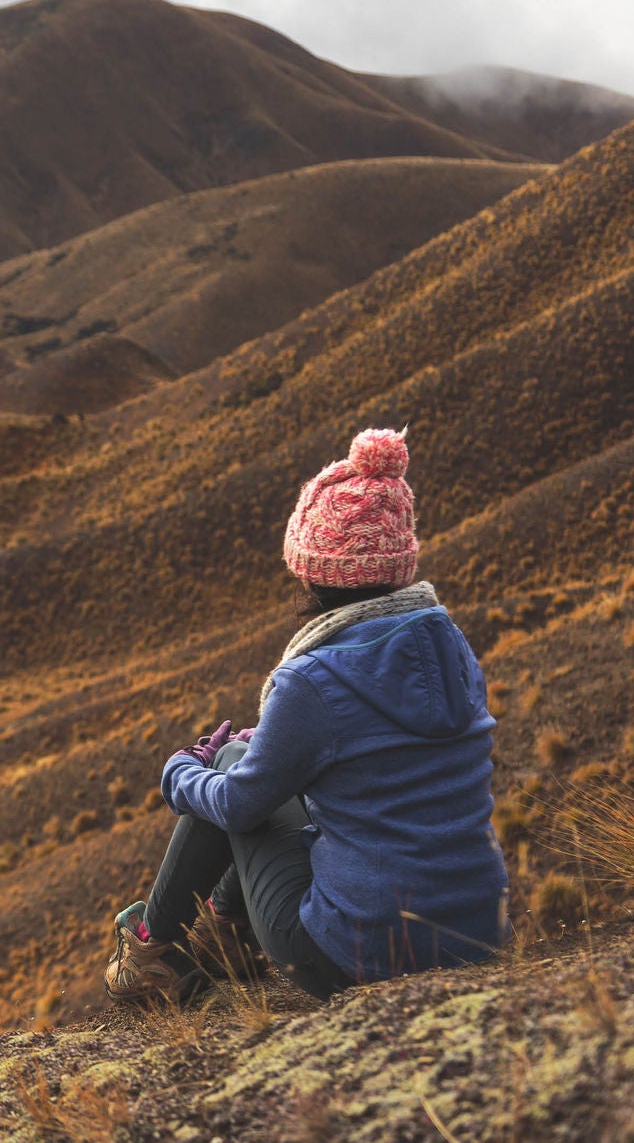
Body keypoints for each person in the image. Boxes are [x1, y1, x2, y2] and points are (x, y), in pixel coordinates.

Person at [104, 428, 508, 1004]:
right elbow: (375, 753)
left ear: (314, 569)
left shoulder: (311, 679)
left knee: (228, 764)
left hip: (354, 958)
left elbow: (240, 803)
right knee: (250, 759)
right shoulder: (451, 648)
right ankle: (217, 937)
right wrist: (272, 741)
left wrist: (181, 769)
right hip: (478, 936)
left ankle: (147, 949)